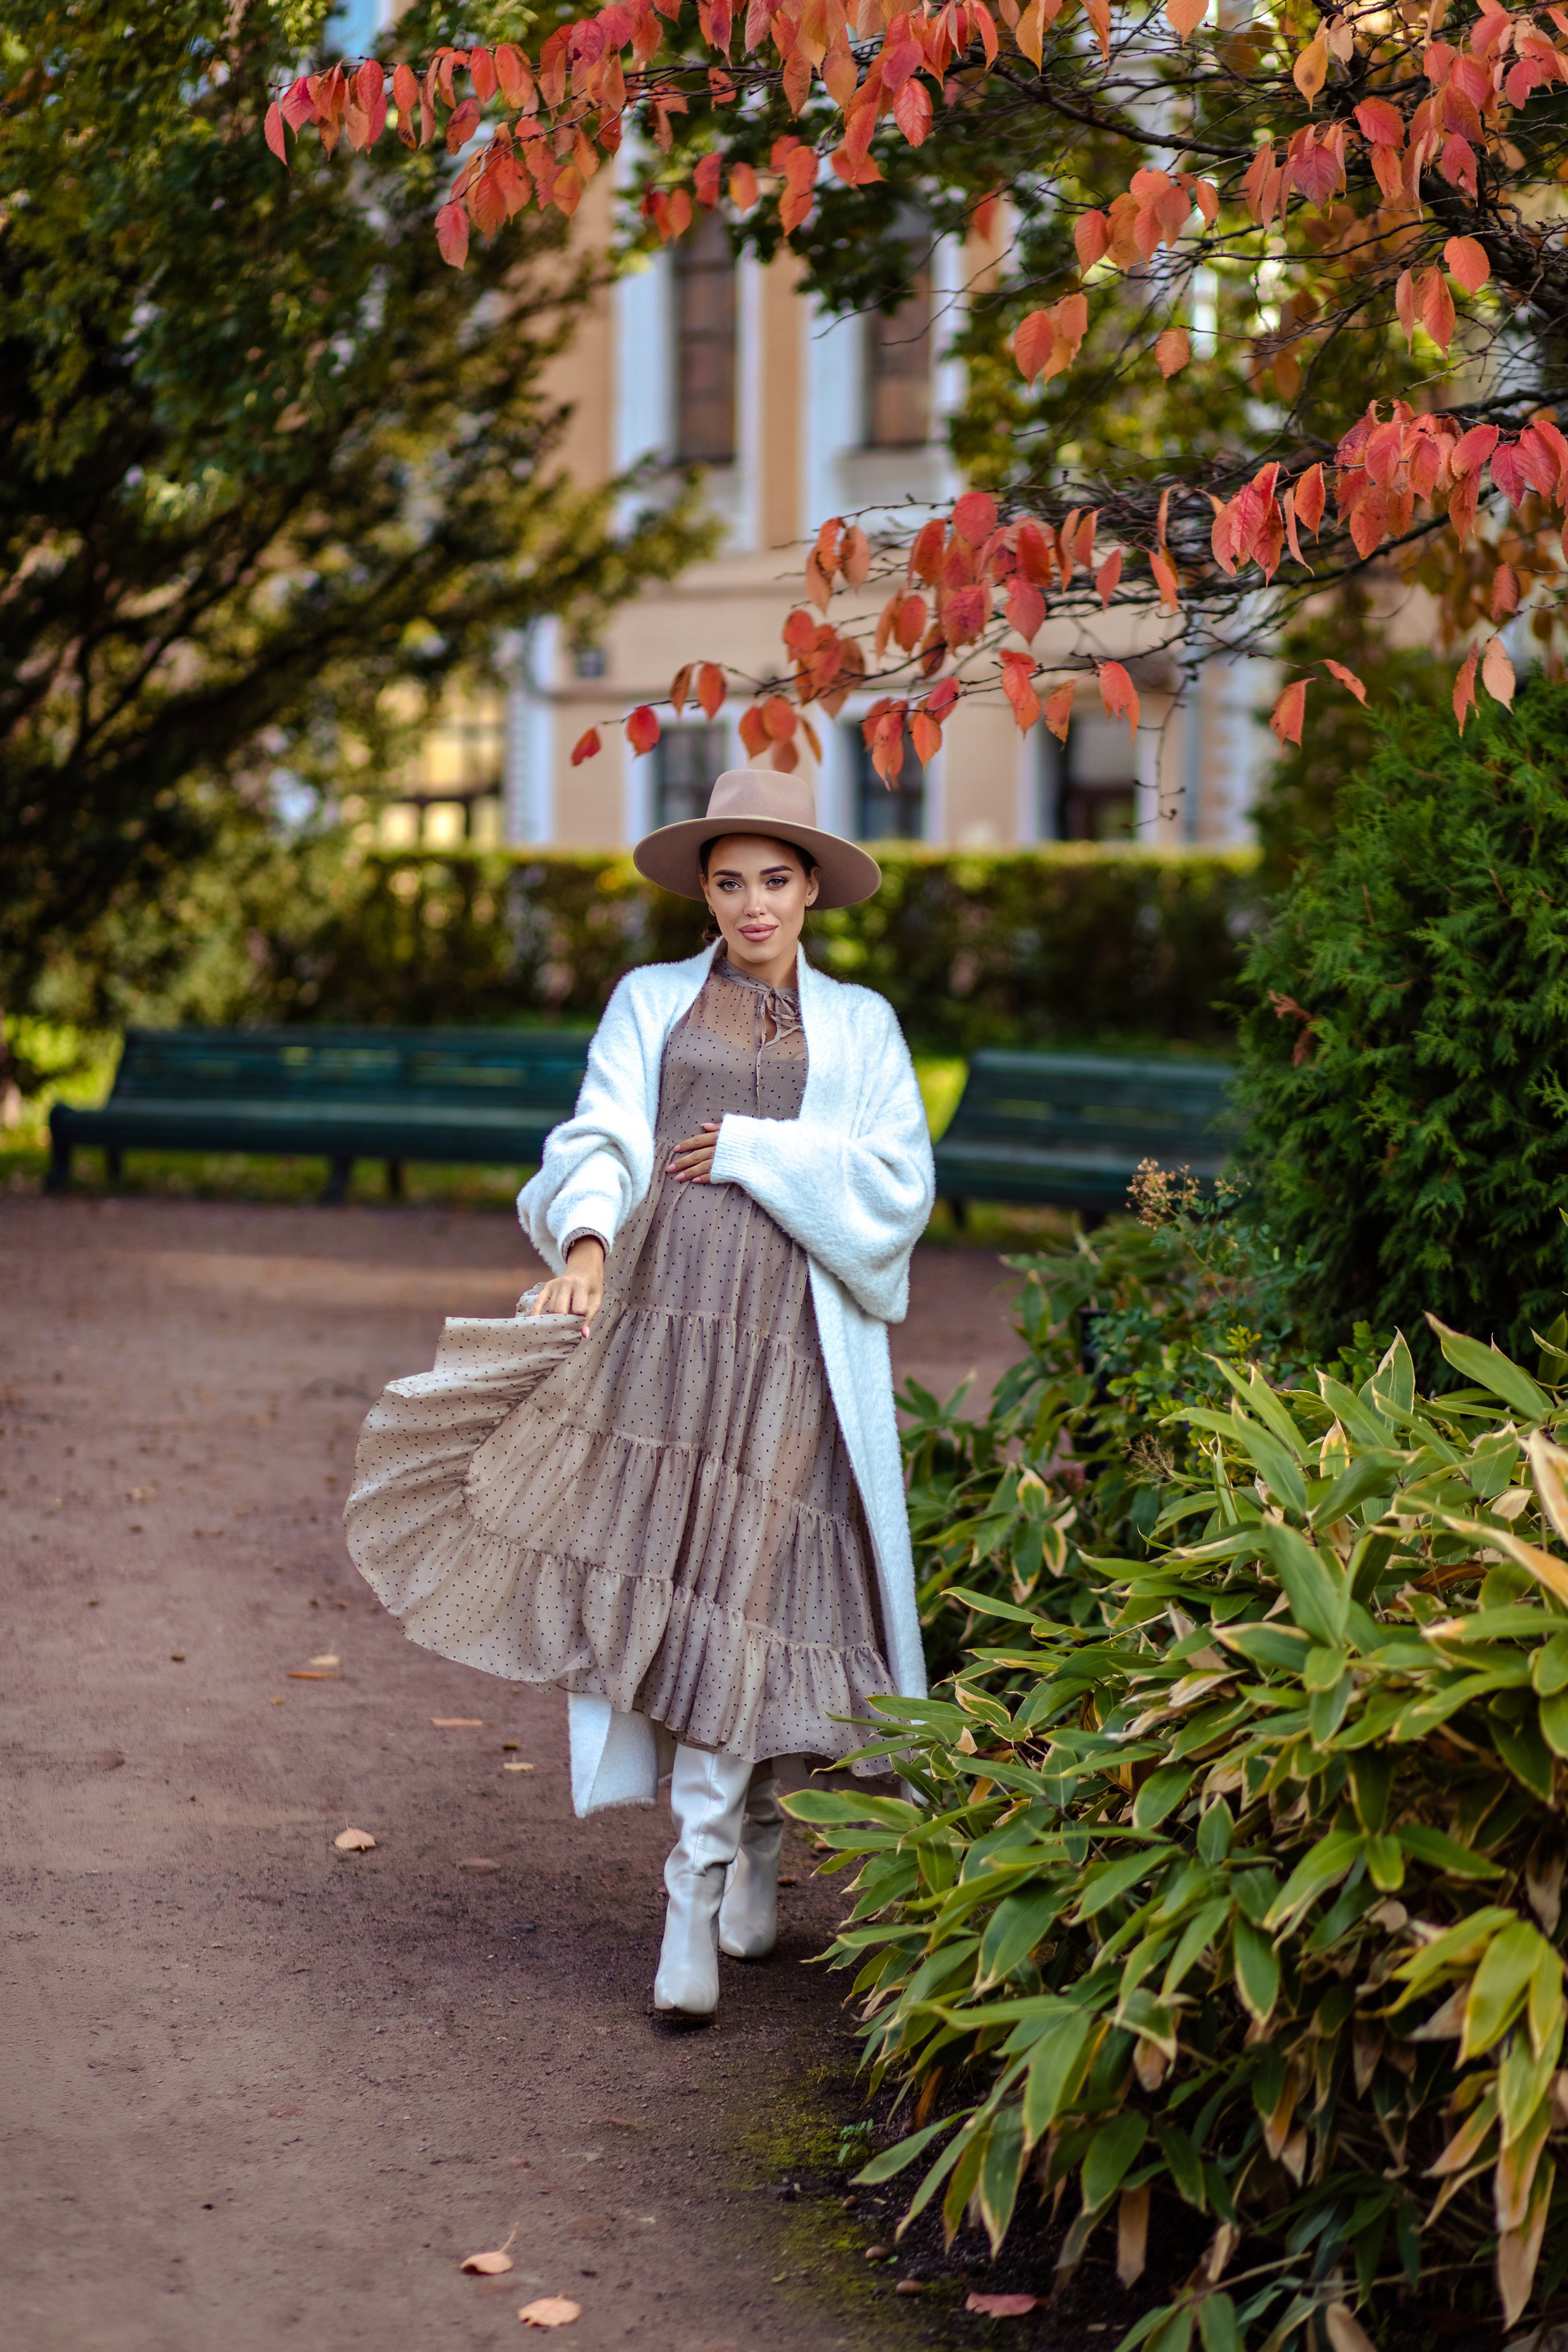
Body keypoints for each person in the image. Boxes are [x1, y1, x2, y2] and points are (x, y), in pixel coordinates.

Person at [344, 766, 933, 2022]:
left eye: (774, 879)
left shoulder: (865, 1026)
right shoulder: (653, 1000)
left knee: (757, 1594)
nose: (752, 903)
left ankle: (724, 1869)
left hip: (794, 1353)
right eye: (729, 881)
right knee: (694, 1592)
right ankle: (704, 1890)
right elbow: (601, 1131)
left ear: (813, 885)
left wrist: (758, 1151)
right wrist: (588, 1244)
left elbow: (897, 1187)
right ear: (704, 891)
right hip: (665, 1344)